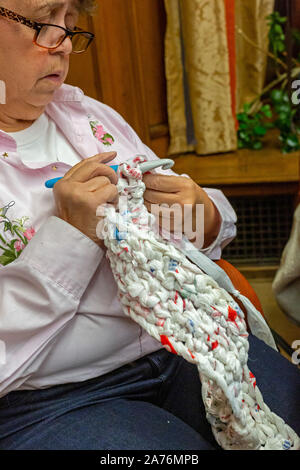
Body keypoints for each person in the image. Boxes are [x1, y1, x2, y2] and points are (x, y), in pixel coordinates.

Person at [0, 0, 298, 451]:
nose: (63, 45)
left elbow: (185, 235)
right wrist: (70, 238)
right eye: (45, 24)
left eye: (72, 24)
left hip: (184, 346)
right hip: (49, 397)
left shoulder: (90, 117)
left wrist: (202, 213)